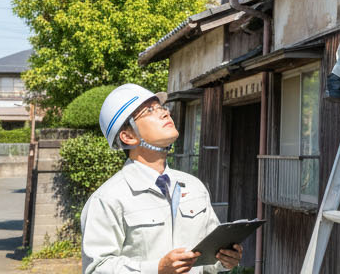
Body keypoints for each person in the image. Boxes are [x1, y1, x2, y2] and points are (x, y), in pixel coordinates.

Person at [81, 84, 244, 274]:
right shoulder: (108, 198)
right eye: (149, 110)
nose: (165, 113)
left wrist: (223, 260)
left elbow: (207, 259)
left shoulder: (194, 187)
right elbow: (96, 268)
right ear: (128, 136)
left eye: (161, 107)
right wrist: (157, 269)